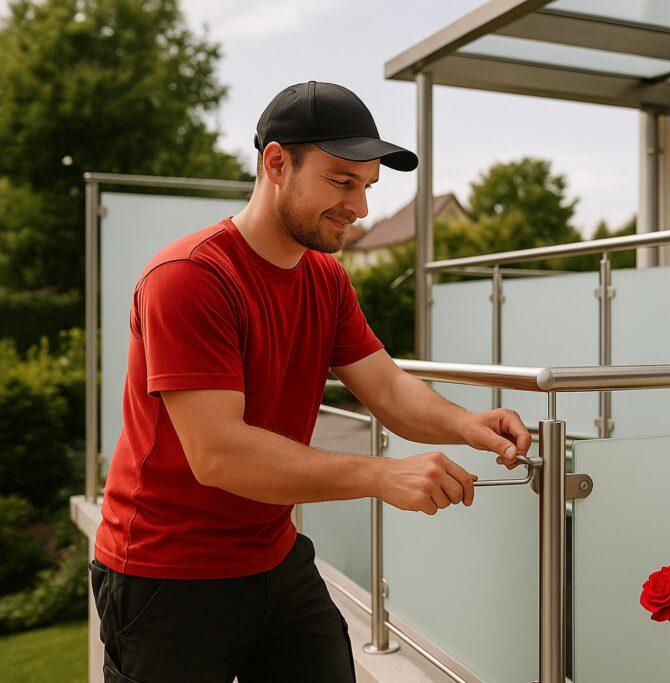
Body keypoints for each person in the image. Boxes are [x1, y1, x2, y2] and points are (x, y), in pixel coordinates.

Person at [89, 81, 532, 682]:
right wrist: (381, 475)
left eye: (368, 187)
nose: (361, 207)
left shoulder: (326, 278)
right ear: (277, 163)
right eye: (341, 182)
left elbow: (387, 387)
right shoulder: (188, 277)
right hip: (167, 574)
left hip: (273, 555)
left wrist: (465, 424)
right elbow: (219, 455)